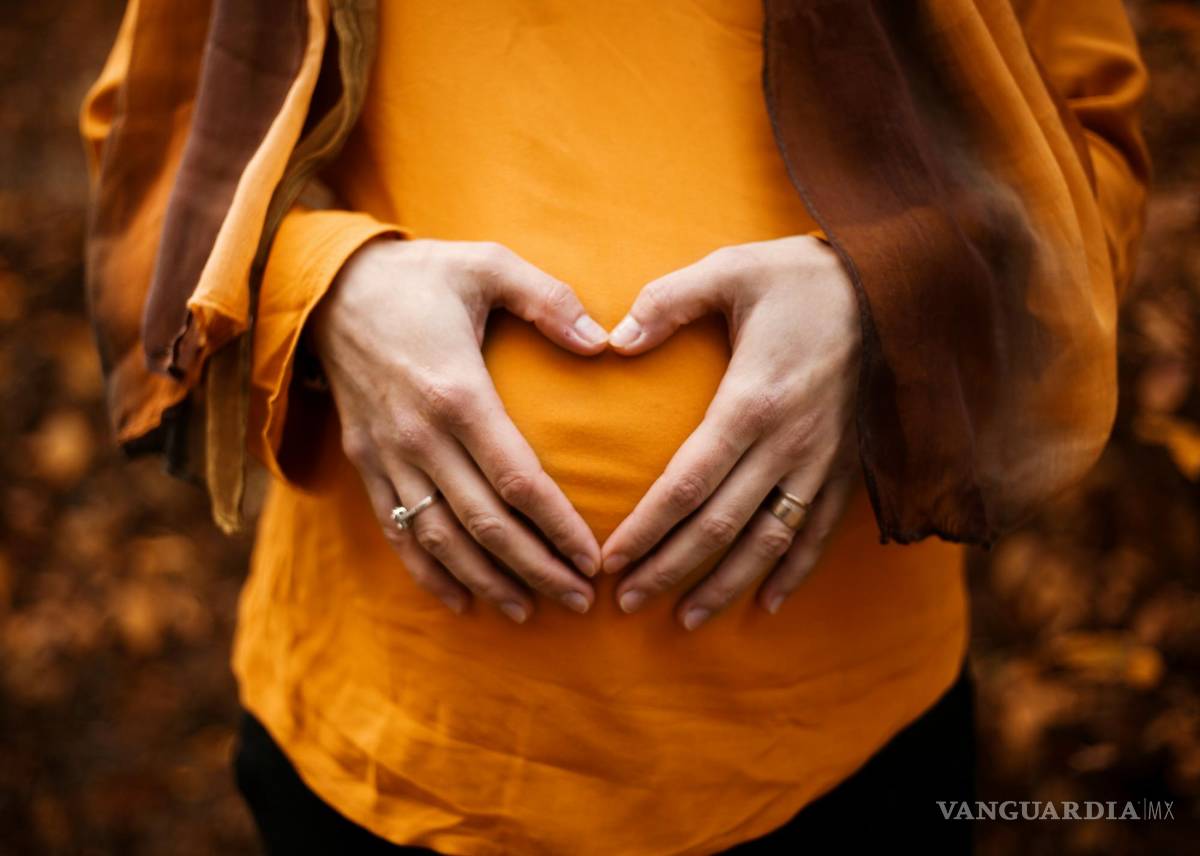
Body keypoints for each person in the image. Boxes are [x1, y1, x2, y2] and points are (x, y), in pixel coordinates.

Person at [81, 0, 1149, 853]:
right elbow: (160, 147)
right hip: (386, 748)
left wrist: (886, 300)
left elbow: (1085, 162)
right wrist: (323, 292)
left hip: (837, 749)